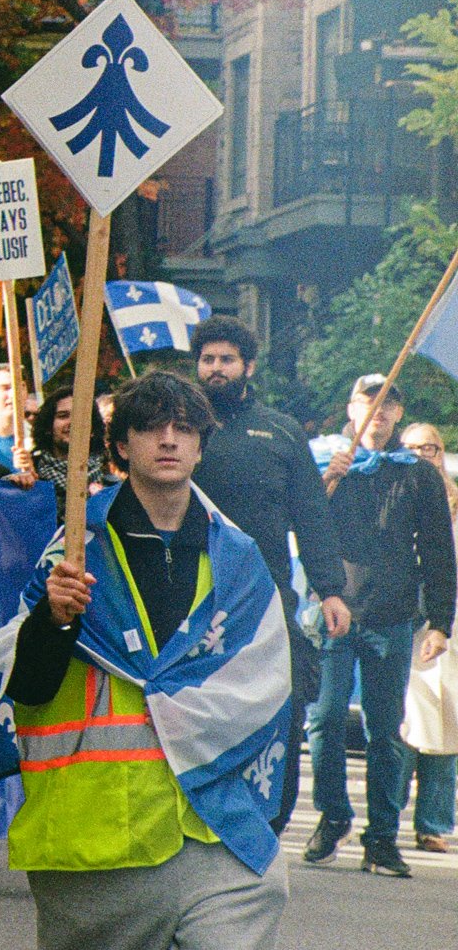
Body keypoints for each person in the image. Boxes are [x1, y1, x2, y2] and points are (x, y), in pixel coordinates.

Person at [0, 373, 289, 948]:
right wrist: (52, 620)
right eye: (151, 427)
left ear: (202, 445)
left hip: (211, 829)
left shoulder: (238, 557)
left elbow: (268, 686)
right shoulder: (76, 547)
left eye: (184, 428)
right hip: (95, 843)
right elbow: (25, 687)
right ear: (121, 446)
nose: (169, 440)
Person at [185, 315, 347, 834]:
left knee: (278, 707)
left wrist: (330, 590)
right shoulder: (178, 426)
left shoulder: (280, 431)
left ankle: (269, 823)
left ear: (248, 366)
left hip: (265, 594)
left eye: (226, 360)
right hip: (190, 592)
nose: (216, 369)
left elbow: (311, 515)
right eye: (208, 359)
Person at [304, 375, 454, 877]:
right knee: (323, 720)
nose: (380, 411)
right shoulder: (329, 464)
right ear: (352, 409)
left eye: (389, 404)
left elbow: (437, 549)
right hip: (334, 611)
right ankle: (333, 815)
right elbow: (300, 528)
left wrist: (440, 621)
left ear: (397, 415)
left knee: (385, 732)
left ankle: (382, 837)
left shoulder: (417, 473)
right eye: (370, 402)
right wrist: (327, 482)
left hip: (391, 616)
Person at [397, 421, 458, 854]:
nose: (423, 456)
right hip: (402, 622)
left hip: (449, 629)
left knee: (445, 728)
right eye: (413, 449)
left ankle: (434, 822)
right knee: (400, 725)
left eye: (430, 448)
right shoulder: (389, 496)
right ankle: (386, 815)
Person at [17, 386, 118, 525]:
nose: (73, 422)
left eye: (81, 416)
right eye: (63, 416)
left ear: (92, 429)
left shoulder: (113, 486)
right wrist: (18, 485)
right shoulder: (32, 479)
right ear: (48, 427)